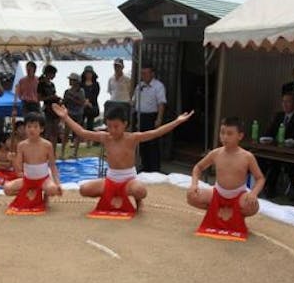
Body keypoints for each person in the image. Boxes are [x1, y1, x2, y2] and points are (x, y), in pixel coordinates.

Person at [53, 103, 192, 212]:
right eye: (109, 126)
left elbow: (156, 132)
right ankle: (108, 195)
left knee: (140, 191)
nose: (112, 130)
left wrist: (177, 121)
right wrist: (66, 117)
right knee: (84, 190)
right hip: (111, 179)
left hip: (129, 180)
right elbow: (82, 132)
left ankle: (138, 201)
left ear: (125, 124)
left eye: (116, 126)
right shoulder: (105, 137)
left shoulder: (132, 138)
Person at [187, 117, 265, 241]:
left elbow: (260, 178)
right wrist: (194, 184)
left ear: (240, 136)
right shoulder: (215, 153)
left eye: (229, 133)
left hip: (239, 195)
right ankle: (216, 212)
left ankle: (238, 217)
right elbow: (198, 167)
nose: (224, 137)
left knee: (252, 205)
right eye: (222, 133)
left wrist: (253, 193)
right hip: (217, 192)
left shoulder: (247, 156)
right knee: (191, 196)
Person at [3, 112, 61, 214]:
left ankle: (45, 196)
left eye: (35, 126)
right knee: (7, 189)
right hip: (27, 179)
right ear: (25, 128)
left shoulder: (47, 145)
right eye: (29, 126)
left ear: (41, 129)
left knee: (53, 190)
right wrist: (12, 159)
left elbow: (52, 166)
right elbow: (19, 169)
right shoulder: (21, 146)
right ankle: (24, 194)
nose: (32, 129)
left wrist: (57, 183)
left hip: (44, 179)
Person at [132, 63, 166, 172]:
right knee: (142, 143)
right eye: (142, 73)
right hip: (140, 115)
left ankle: (154, 168)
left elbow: (161, 103)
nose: (144, 75)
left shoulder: (158, 86)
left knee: (152, 143)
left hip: (151, 116)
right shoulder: (139, 86)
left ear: (152, 74)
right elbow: (134, 101)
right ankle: (145, 166)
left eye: (146, 73)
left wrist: (159, 118)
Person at [37, 64, 61, 153]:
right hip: (47, 109)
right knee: (47, 131)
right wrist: (50, 97)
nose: (54, 76)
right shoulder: (41, 84)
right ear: (49, 73)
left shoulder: (52, 84)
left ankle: (53, 152)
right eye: (53, 74)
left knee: (55, 132)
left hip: (54, 108)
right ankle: (44, 151)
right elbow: (39, 98)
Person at [61, 72, 86, 159]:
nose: (70, 81)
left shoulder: (81, 91)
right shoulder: (67, 91)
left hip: (78, 114)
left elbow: (82, 103)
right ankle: (62, 153)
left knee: (78, 133)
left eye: (72, 80)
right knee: (66, 133)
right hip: (69, 114)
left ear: (76, 81)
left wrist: (72, 98)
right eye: (70, 80)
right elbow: (64, 102)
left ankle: (75, 153)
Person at [105, 58, 132, 122]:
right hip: (113, 103)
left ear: (122, 67)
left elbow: (130, 91)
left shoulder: (127, 79)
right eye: (115, 66)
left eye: (119, 66)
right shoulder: (111, 79)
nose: (117, 68)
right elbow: (110, 91)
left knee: (124, 121)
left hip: (124, 103)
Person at [81, 64, 100, 135]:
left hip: (92, 105)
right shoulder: (81, 84)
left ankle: (89, 140)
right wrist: (84, 101)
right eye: (87, 73)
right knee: (80, 122)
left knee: (90, 124)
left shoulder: (96, 84)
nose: (88, 75)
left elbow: (95, 94)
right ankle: (78, 139)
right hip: (82, 104)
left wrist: (88, 102)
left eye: (90, 73)